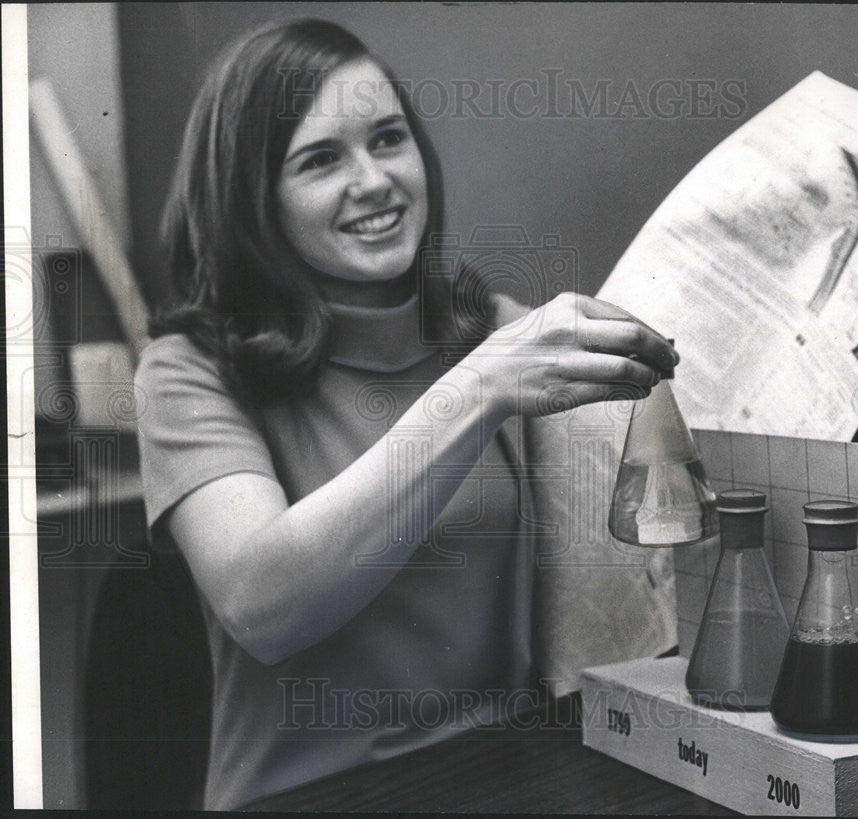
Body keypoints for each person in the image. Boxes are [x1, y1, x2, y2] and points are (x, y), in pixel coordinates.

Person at [135, 18, 676, 810]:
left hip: (505, 776)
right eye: (320, 159)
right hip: (305, 798)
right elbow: (263, 602)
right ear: (254, 199)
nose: (375, 179)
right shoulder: (187, 370)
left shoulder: (493, 331)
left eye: (388, 139)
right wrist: (477, 390)